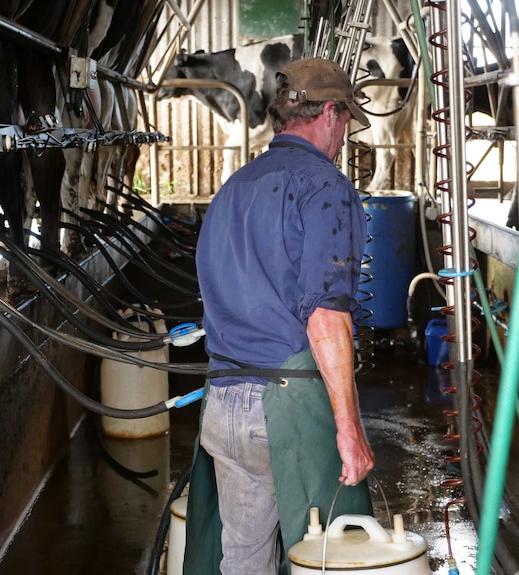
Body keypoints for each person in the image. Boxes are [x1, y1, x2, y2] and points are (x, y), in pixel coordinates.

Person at [183, 57, 376, 575]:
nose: (343, 139)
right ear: (330, 113)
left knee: (244, 559)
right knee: (330, 556)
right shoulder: (324, 187)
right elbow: (326, 318)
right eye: (345, 123)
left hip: (222, 406)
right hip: (284, 412)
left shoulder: (233, 189)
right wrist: (349, 429)